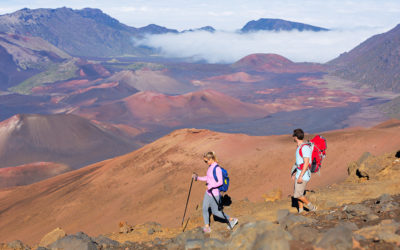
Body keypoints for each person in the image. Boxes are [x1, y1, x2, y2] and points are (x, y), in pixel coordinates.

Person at [192, 151, 238, 233]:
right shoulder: (210, 167)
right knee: (204, 208)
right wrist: (197, 178)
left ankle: (232, 219)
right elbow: (208, 178)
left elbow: (220, 182)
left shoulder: (217, 169)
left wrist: (210, 186)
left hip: (215, 193)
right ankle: (207, 227)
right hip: (208, 192)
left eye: (206, 161)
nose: (205, 163)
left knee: (215, 212)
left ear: (211, 159)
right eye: (204, 161)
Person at [292, 128, 317, 213]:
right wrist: (295, 172)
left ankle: (312, 207)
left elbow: (306, 163)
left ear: (295, 137)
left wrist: (300, 176)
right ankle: (301, 210)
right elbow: (299, 162)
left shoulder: (304, 147)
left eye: (293, 136)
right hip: (299, 172)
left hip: (303, 174)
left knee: (297, 195)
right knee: (300, 193)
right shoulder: (299, 147)